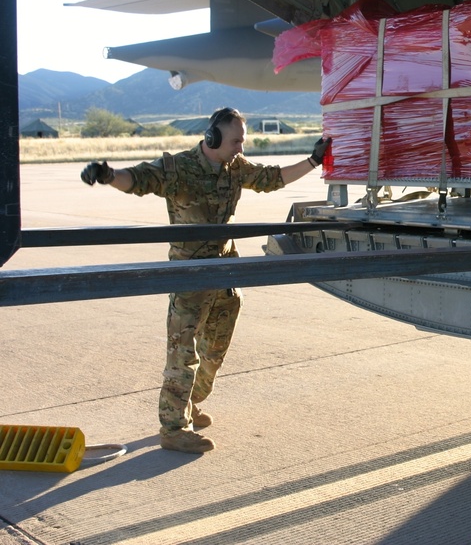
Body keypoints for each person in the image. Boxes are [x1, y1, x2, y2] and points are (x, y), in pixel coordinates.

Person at [81, 107, 331, 454]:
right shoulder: (178, 168)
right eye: (235, 141)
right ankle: (173, 428)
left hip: (225, 269)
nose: (240, 148)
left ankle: (191, 402)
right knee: (183, 352)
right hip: (190, 273)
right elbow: (138, 180)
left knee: (214, 349)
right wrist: (108, 175)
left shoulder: (234, 167)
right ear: (212, 138)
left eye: (241, 141)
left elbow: (270, 178)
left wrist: (313, 160)